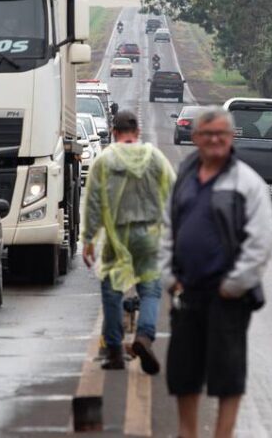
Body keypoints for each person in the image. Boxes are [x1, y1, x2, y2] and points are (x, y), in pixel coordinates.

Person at [160, 106, 272, 438]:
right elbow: (167, 229)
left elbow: (261, 240)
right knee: (184, 373)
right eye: (207, 133)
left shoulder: (247, 182)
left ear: (231, 138)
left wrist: (235, 284)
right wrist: (170, 278)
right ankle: (188, 433)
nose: (214, 140)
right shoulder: (184, 176)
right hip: (187, 292)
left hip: (228, 296)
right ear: (195, 138)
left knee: (227, 375)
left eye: (221, 134)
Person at [82, 110, 175, 373]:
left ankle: (113, 352)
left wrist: (89, 239)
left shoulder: (104, 160)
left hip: (116, 237)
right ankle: (144, 336)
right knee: (150, 290)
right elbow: (174, 193)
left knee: (112, 293)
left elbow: (93, 202)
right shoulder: (153, 157)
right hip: (148, 235)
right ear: (138, 132)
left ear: (114, 132)